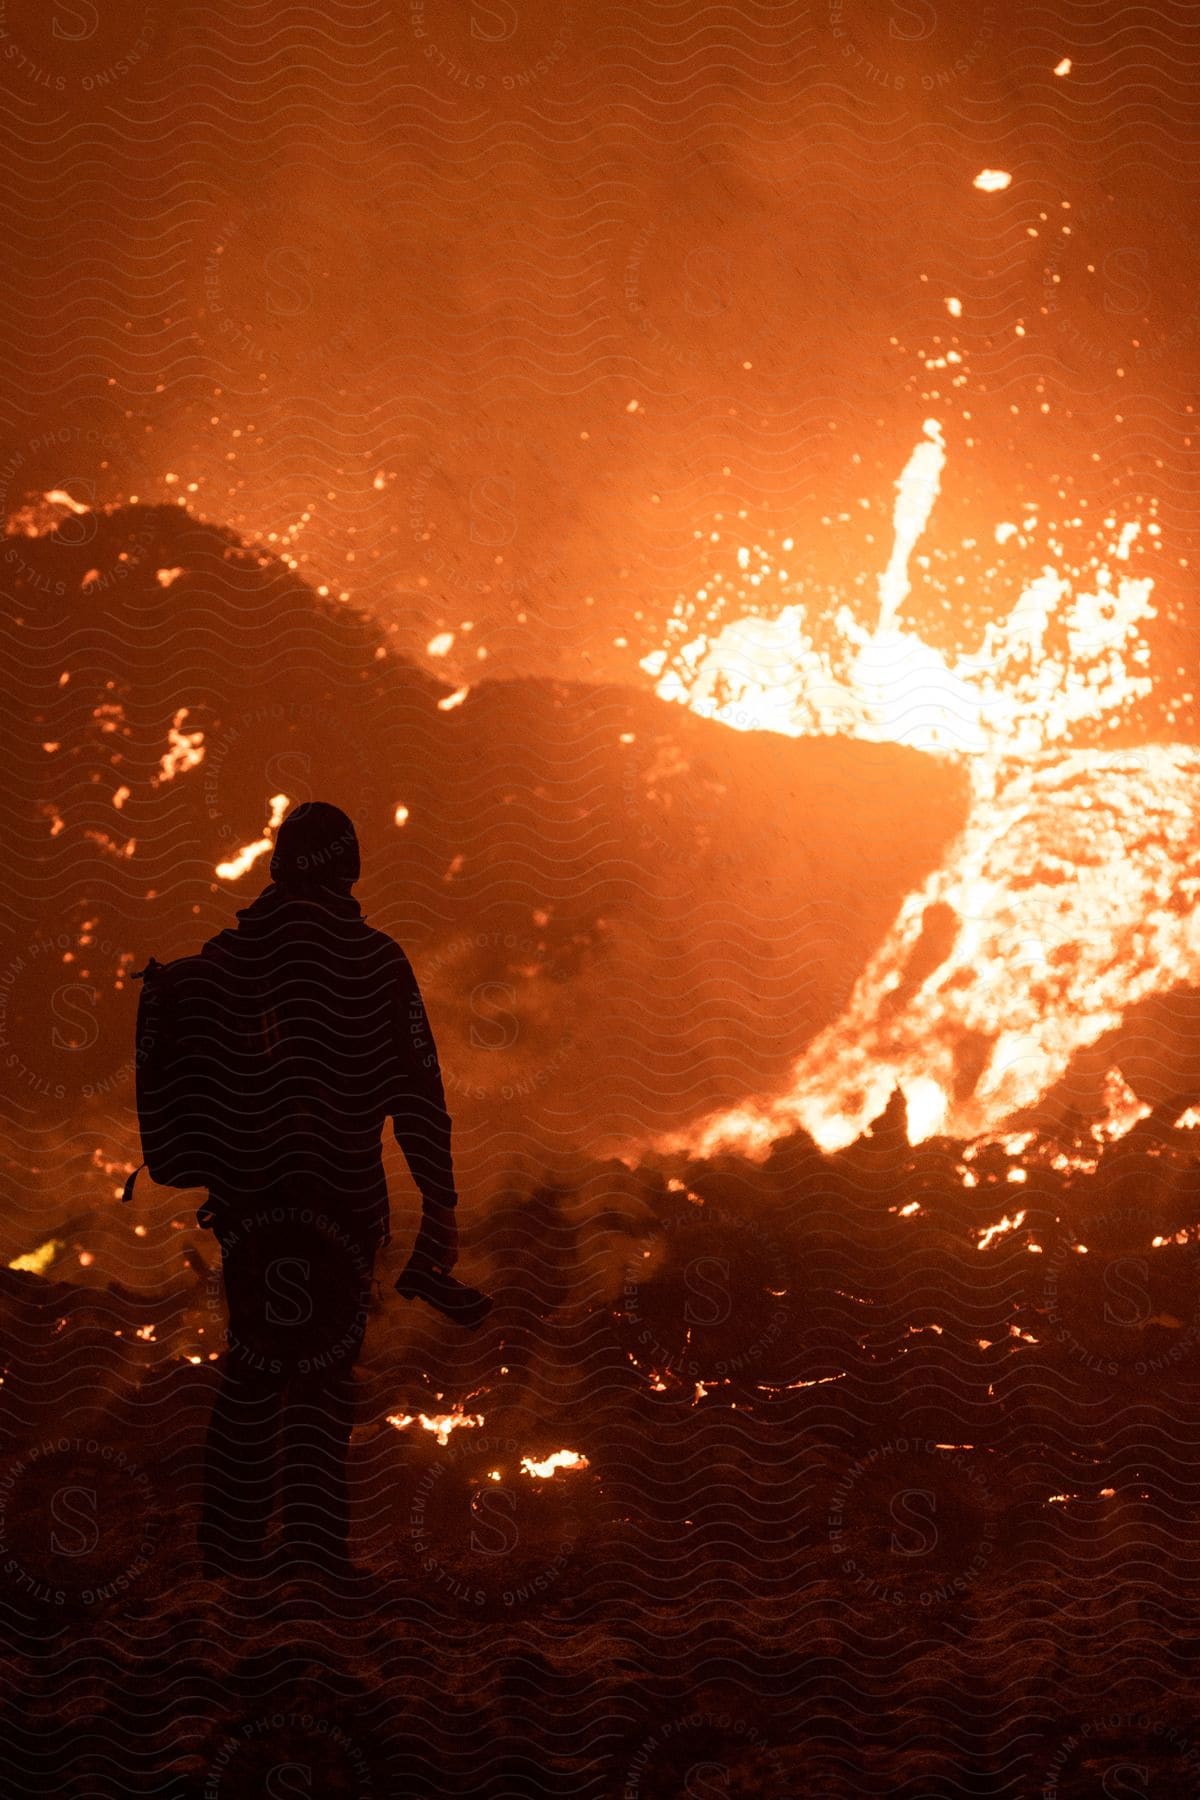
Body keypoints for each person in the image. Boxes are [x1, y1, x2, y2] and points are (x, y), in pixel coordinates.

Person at [196, 801, 458, 1583]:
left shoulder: (226, 957)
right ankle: (312, 1558)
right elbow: (417, 1095)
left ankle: (228, 1554)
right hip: (340, 1203)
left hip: (248, 1207)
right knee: (321, 1376)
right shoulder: (375, 960)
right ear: (348, 868)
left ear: (278, 866)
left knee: (250, 1368)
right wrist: (439, 1205)